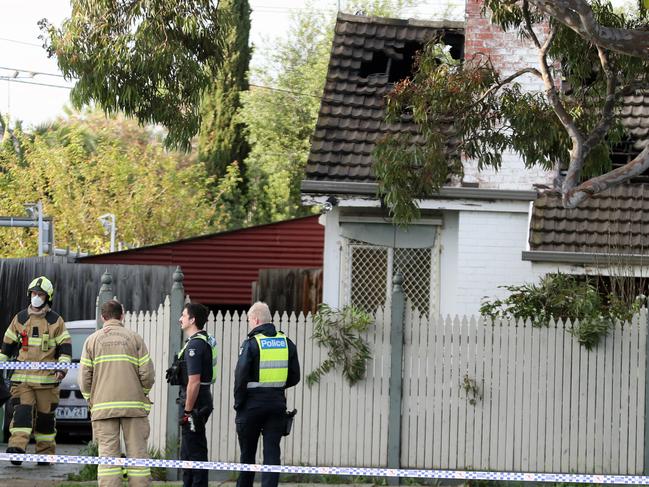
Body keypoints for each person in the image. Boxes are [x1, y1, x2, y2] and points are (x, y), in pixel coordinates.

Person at [79, 299, 155, 486]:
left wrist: (92, 399)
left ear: (102, 317)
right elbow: (147, 375)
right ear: (122, 315)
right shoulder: (134, 338)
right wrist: (142, 393)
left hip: (103, 408)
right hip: (133, 407)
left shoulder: (92, 340)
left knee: (108, 458)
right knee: (138, 455)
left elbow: (84, 379)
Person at [0, 276, 71, 465]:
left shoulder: (56, 321)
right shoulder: (20, 318)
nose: (36, 297)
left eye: (40, 294)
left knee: (45, 421)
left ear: (47, 297)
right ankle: (17, 449)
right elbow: (6, 347)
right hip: (22, 381)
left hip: (47, 383)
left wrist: (62, 369)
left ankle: (45, 455)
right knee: (22, 414)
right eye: (33, 293)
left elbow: (65, 349)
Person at [234, 301, 300, 487]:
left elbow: (240, 377)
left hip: (251, 405)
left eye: (249, 320)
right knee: (272, 453)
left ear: (255, 319)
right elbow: (295, 376)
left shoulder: (251, 344)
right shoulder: (287, 343)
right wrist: (276, 387)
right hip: (277, 404)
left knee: (247, 454)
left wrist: (239, 403)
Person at [167, 303, 216, 487]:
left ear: (192, 319)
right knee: (187, 451)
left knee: (195, 452)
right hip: (199, 399)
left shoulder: (195, 344)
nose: (180, 319)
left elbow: (194, 382)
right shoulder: (201, 340)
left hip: (194, 402)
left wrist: (187, 412)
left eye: (183, 315)